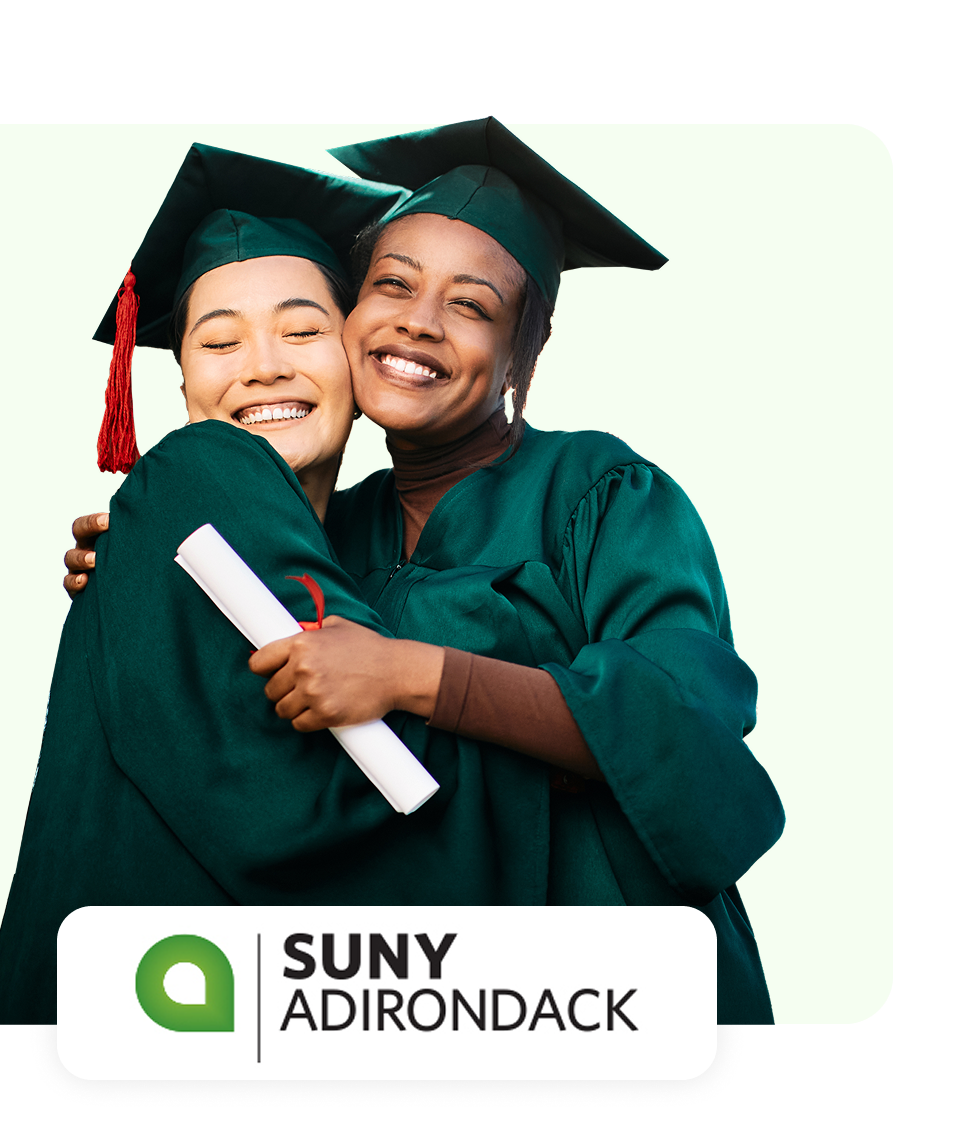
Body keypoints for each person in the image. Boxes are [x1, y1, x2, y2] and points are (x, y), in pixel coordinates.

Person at [61, 123, 786, 1024]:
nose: (418, 320)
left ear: (526, 348)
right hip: (425, 1000)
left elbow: (682, 732)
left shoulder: (602, 493)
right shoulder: (319, 538)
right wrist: (141, 574)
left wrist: (412, 675)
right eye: (393, 285)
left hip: (614, 988)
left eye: (472, 305)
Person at [0, 145, 552, 1025]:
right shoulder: (204, 467)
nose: (263, 367)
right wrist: (546, 697)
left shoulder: (345, 543)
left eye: (302, 331)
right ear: (182, 380)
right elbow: (370, 799)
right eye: (219, 341)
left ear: (358, 359)